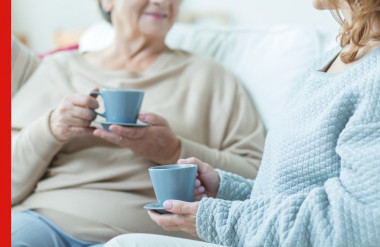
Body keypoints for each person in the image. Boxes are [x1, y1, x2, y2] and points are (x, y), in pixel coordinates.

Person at [103, 0, 380, 246]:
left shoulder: (374, 76)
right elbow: (285, 192)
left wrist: (217, 219)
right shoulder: (331, 59)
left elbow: (359, 220)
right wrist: (225, 190)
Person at [11, 0, 265, 246]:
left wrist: (174, 150)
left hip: (146, 235)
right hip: (45, 221)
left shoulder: (211, 78)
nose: (161, 1)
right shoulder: (57, 69)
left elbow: (258, 178)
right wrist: (50, 129)